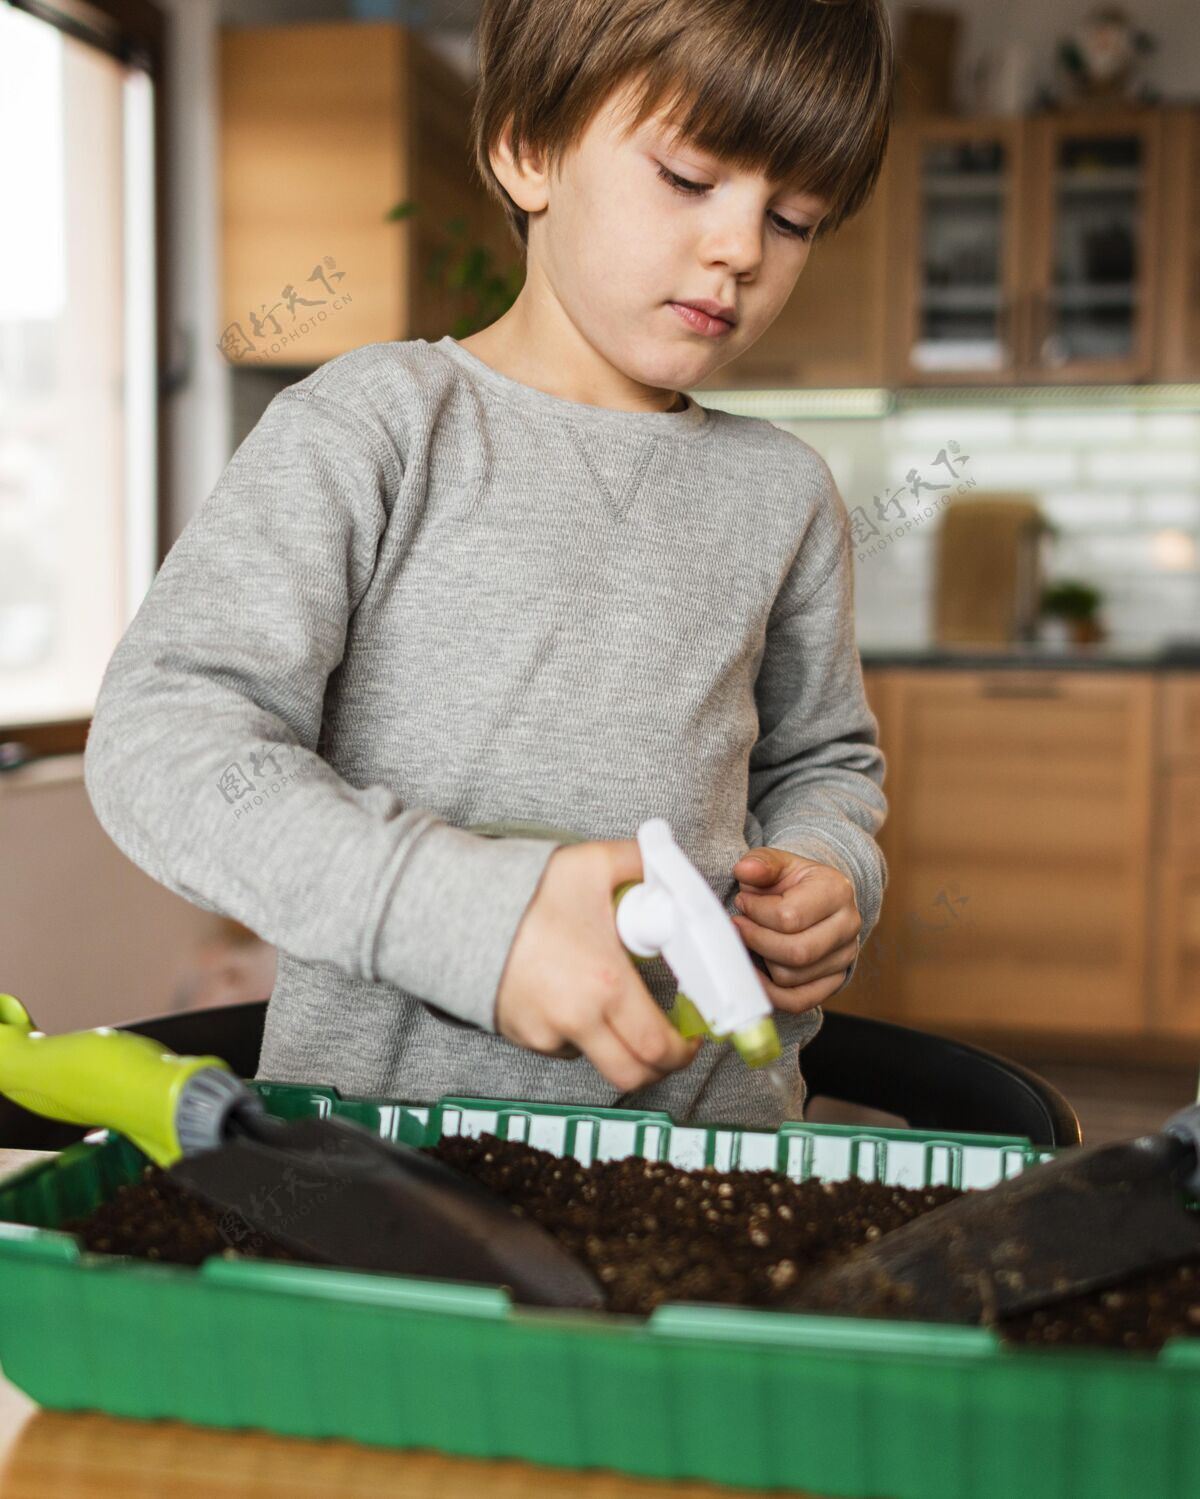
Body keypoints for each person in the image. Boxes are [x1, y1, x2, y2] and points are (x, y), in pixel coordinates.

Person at [83, 0, 893, 1130]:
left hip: (716, 1156)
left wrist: (829, 865)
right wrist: (467, 914)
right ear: (527, 145)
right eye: (689, 176)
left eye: (796, 219)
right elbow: (162, 741)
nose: (743, 248)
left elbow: (825, 761)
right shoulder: (375, 426)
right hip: (383, 1171)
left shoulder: (784, 494)